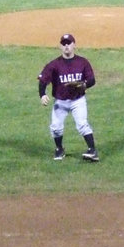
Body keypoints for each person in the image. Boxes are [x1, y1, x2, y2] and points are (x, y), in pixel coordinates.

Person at [38, 34, 99, 162]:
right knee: (55, 127)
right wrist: (42, 94)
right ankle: (59, 149)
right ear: (60, 46)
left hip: (78, 100)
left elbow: (92, 80)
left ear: (74, 45)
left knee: (82, 124)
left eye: (69, 43)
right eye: (64, 44)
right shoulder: (54, 64)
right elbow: (43, 80)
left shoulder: (82, 62)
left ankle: (93, 151)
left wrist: (84, 85)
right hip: (60, 101)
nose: (66, 46)